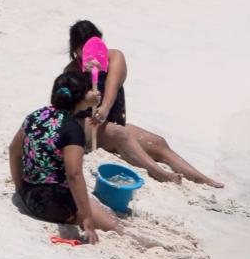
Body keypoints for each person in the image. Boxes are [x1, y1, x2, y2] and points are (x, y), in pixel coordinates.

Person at [64, 19, 222, 186]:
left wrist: (104, 108)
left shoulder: (115, 57)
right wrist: (88, 99)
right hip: (85, 125)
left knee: (158, 142)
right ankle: (160, 173)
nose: (90, 52)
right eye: (83, 48)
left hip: (109, 119)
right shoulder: (71, 70)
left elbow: (113, 84)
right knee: (120, 134)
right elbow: (71, 105)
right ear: (75, 49)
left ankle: (201, 178)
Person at [8, 69, 135, 242]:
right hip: (52, 205)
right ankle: (137, 239)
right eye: (90, 90)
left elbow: (13, 151)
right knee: (116, 227)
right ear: (82, 98)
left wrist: (19, 186)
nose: (95, 92)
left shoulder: (35, 116)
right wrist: (87, 219)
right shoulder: (72, 128)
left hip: (28, 196)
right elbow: (74, 174)